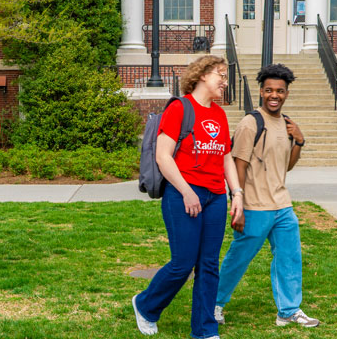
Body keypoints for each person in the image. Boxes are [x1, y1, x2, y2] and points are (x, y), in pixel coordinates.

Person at [132, 55, 244, 339]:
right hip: (182, 195)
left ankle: (206, 330)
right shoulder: (180, 108)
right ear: (203, 74)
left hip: (216, 197)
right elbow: (162, 156)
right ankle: (145, 305)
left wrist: (237, 193)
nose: (225, 81)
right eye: (221, 74)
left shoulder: (219, 114)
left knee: (208, 265)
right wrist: (186, 191)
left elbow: (226, 158)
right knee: (183, 263)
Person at [214, 64, 320, 328]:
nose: (275, 95)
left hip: (282, 205)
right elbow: (237, 165)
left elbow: (287, 166)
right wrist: (237, 203)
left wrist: (299, 141)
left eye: (280, 91)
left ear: (286, 93)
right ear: (261, 91)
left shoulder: (286, 124)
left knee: (289, 256)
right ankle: (214, 303)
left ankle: (288, 310)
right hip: (254, 206)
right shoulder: (251, 123)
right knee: (239, 258)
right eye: (270, 90)